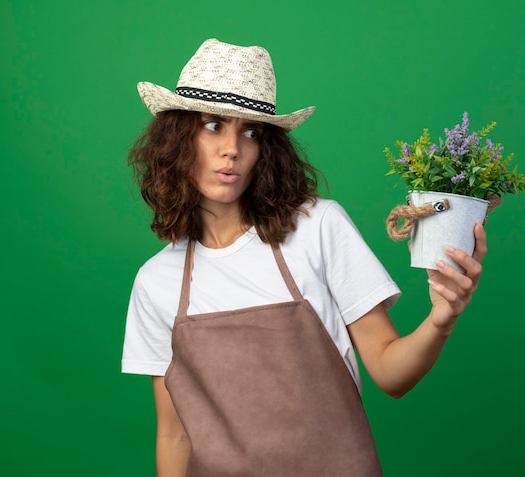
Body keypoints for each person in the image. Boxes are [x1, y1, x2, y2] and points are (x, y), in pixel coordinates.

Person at [121, 38, 487, 477]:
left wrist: (441, 318)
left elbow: (392, 375)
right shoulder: (156, 281)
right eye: (213, 125)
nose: (232, 148)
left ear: (266, 150)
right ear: (178, 139)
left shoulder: (319, 227)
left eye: (250, 132)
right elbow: (174, 434)